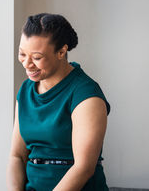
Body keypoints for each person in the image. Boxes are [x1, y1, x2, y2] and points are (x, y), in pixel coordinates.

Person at [7, 13, 110, 191]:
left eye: (37, 57)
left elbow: (83, 168)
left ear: (61, 52)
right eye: (22, 54)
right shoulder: (25, 90)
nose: (27, 64)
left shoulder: (86, 94)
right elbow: (17, 156)